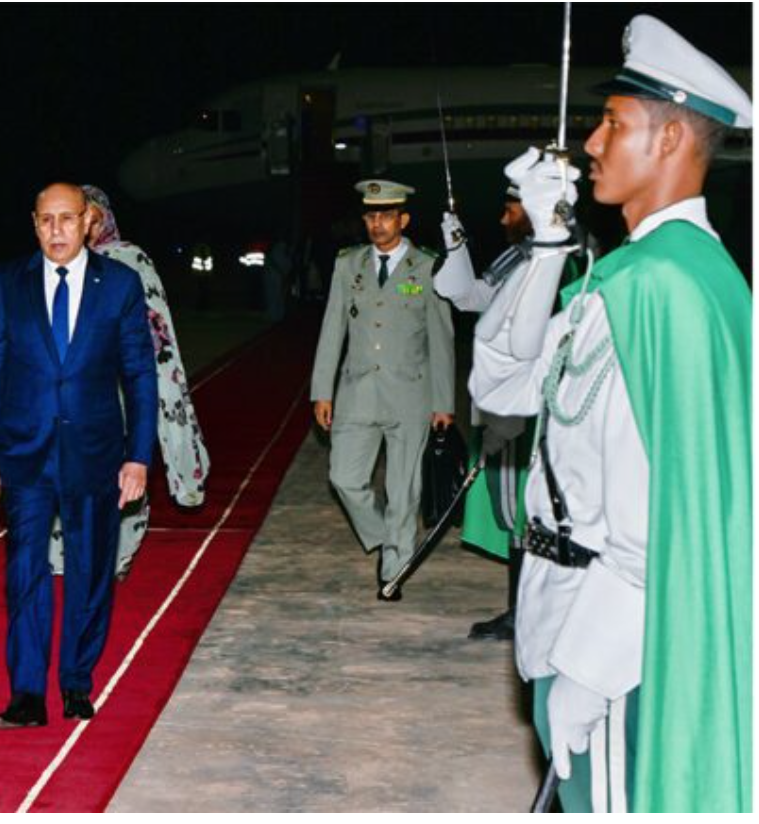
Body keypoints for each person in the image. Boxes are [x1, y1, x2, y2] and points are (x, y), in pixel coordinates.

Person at [469, 15, 750, 812]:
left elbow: (644, 524)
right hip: (570, 607)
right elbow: (504, 386)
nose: (591, 143)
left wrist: (587, 676)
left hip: (615, 640)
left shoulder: (658, 289)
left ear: (668, 142)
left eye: (614, 124)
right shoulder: (643, 276)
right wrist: (549, 246)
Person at [0, 182, 157, 728]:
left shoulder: (120, 285)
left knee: (91, 570)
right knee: (25, 568)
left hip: (96, 454)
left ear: (89, 222)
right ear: (34, 223)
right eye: (46, 220)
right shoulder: (9, 282)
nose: (56, 230)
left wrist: (138, 456)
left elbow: (140, 375)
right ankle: (27, 693)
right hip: (24, 455)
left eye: (67, 219)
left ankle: (76, 680)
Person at [46, 184, 209, 581]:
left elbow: (158, 328)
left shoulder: (129, 260)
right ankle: (58, 556)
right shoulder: (56, 264)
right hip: (71, 389)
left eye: (93, 217)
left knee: (121, 474)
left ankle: (116, 555)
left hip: (121, 385)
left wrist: (160, 386)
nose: (86, 226)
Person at [310, 180, 455, 600]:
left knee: (403, 489)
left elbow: (441, 340)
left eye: (386, 215)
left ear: (403, 219)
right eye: (371, 216)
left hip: (411, 395)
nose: (377, 223)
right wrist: (323, 390)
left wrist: (444, 402)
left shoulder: (427, 267)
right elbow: (331, 330)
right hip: (357, 392)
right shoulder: (347, 264)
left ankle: (394, 565)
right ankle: (381, 536)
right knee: (344, 477)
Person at [432, 184, 537, 641]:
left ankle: (529, 615)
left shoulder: (555, 258)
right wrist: (455, 245)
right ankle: (522, 611)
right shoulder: (519, 256)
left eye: (510, 208)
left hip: (527, 403)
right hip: (506, 399)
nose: (502, 218)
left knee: (526, 511)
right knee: (513, 510)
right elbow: (471, 297)